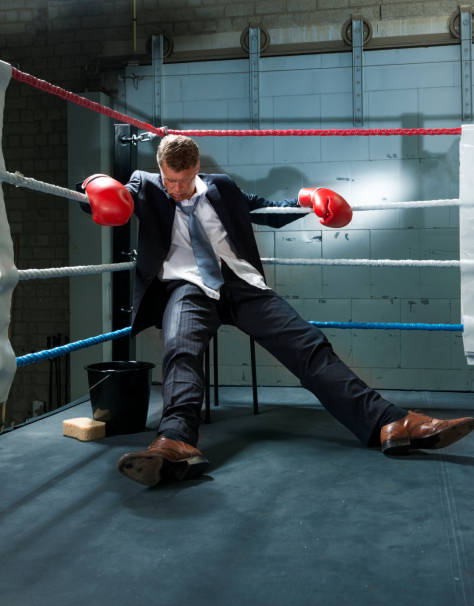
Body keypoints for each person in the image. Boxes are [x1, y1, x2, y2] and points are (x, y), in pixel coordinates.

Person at [82, 135, 474, 487]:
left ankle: (388, 422)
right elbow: (105, 198)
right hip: (186, 287)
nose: (179, 189)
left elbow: (266, 210)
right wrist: (94, 185)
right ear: (161, 171)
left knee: (308, 344)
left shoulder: (222, 187)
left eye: (185, 180)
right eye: (171, 180)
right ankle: (175, 443)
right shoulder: (145, 184)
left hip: (240, 284)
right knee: (181, 349)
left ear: (198, 168)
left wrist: (309, 201)